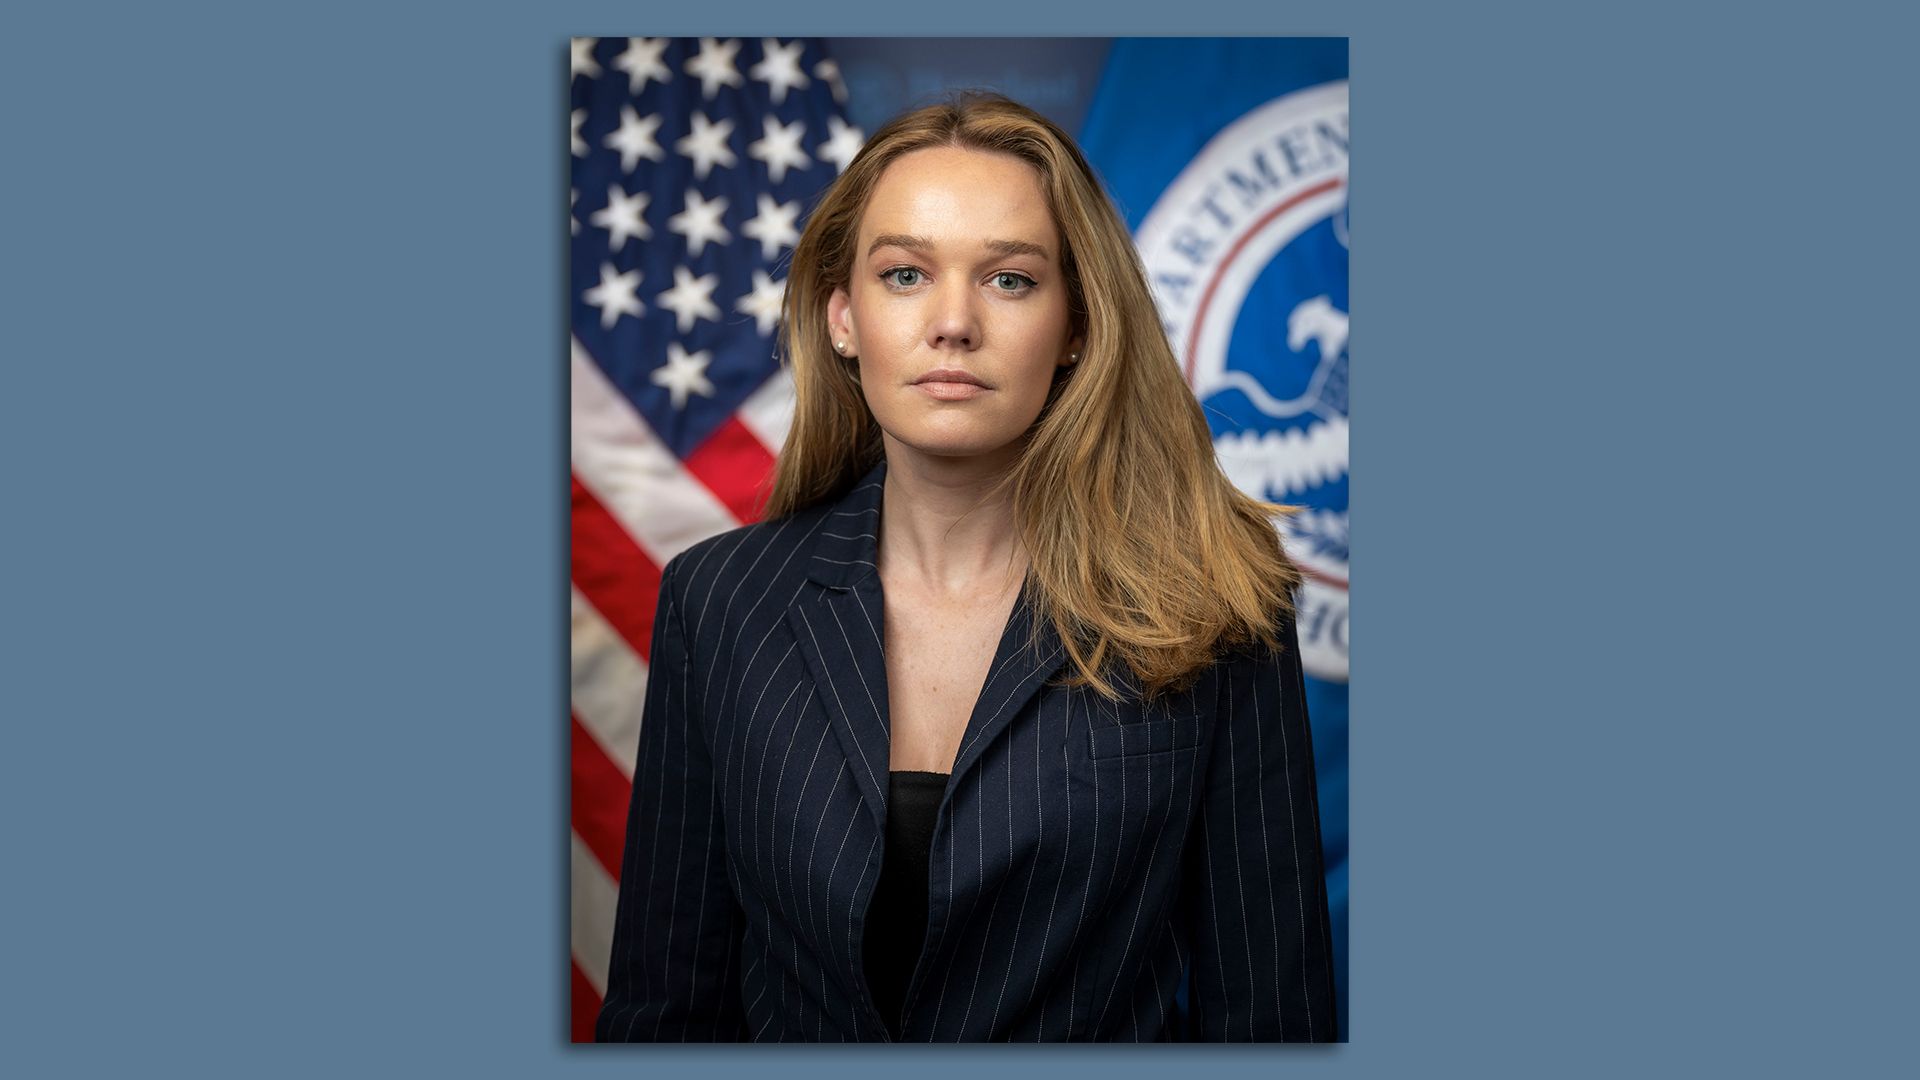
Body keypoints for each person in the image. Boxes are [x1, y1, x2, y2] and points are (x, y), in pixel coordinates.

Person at [595, 92, 1337, 1043]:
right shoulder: (719, 602)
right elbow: (665, 1017)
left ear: (1077, 325)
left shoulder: (1218, 602)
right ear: (843, 317)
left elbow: (1272, 1019)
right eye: (904, 274)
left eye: (1010, 280)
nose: (953, 322)